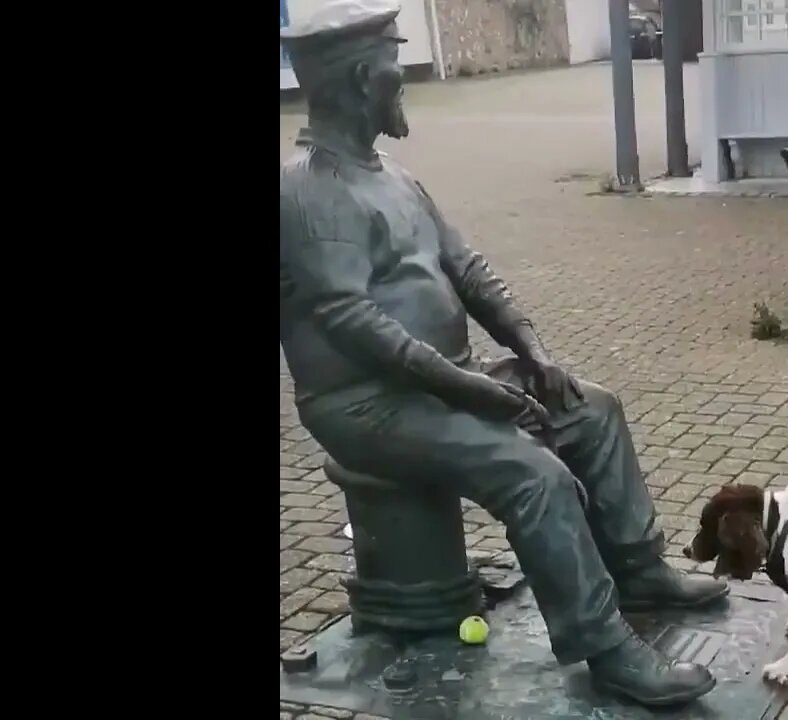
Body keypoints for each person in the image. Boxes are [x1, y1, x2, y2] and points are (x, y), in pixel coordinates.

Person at [278, 0, 728, 707]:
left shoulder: (394, 176)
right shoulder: (306, 192)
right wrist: (468, 389)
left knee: (591, 409)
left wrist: (531, 349)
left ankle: (639, 571)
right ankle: (605, 648)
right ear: (361, 80)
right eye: (395, 70)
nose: (404, 85)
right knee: (532, 474)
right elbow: (352, 322)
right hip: (364, 404)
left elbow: (468, 268)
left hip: (434, 386)